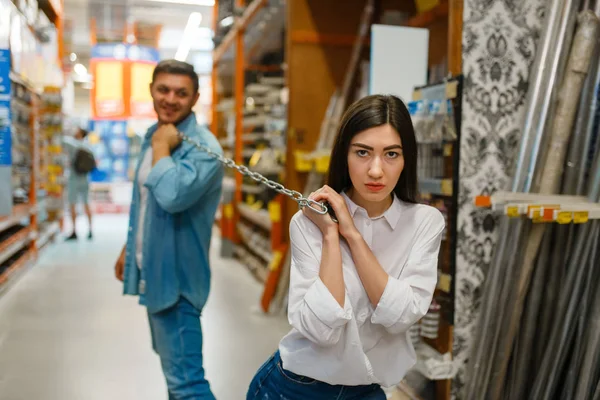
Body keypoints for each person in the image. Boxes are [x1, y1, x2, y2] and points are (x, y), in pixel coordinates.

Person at [247, 94, 445, 399]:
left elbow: (401, 317)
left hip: (368, 392)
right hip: (293, 388)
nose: (376, 170)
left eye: (391, 154)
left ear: (407, 160)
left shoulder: (424, 222)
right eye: (363, 152)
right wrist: (330, 235)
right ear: (344, 155)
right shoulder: (308, 224)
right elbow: (319, 330)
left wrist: (351, 234)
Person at [114, 60, 224, 400]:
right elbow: (146, 201)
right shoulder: (157, 134)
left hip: (178, 281)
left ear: (195, 98)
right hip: (155, 271)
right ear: (151, 90)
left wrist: (163, 150)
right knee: (175, 375)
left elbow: (173, 196)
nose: (170, 99)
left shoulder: (202, 147)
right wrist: (130, 248)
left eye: (181, 93)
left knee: (187, 384)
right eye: (163, 89)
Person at [63, 128, 94, 240]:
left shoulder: (73, 144)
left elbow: (61, 140)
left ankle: (74, 231)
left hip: (74, 179)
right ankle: (90, 230)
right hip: (85, 179)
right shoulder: (88, 146)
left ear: (80, 133)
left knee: (72, 204)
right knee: (86, 203)